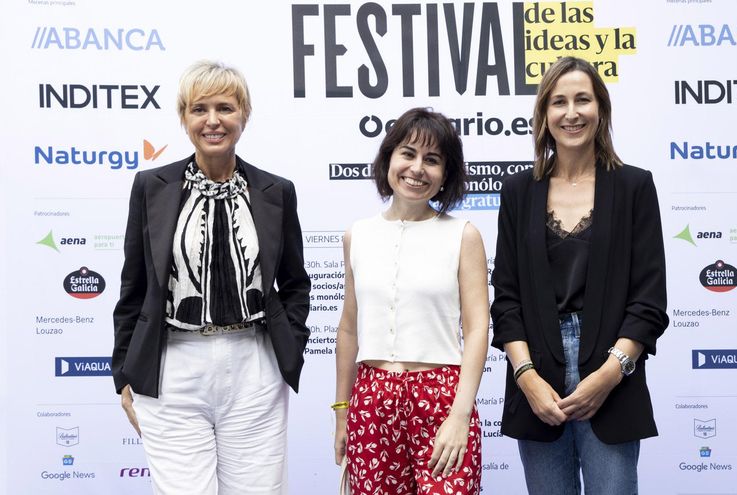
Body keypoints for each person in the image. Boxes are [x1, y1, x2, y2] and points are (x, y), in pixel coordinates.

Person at [112, 61, 311, 495]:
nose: (213, 120)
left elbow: (295, 283)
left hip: (254, 366)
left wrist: (289, 343)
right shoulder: (151, 186)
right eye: (199, 109)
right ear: (184, 118)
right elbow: (134, 287)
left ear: (244, 114)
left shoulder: (276, 191)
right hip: (170, 368)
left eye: (226, 107)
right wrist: (125, 372)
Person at [490, 56, 669, 494]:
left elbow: (649, 300)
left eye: (583, 100)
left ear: (601, 110)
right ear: (544, 115)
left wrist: (610, 374)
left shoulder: (634, 187)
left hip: (613, 371)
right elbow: (507, 299)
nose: (571, 113)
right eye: (559, 102)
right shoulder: (518, 191)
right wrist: (526, 377)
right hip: (537, 376)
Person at [333, 108, 489, 495]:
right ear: (389, 158)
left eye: (432, 160)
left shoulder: (463, 235)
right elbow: (348, 329)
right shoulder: (357, 235)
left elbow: (478, 328)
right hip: (371, 401)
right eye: (408, 153)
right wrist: (342, 413)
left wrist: (460, 414)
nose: (417, 168)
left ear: (445, 174)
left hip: (442, 398)